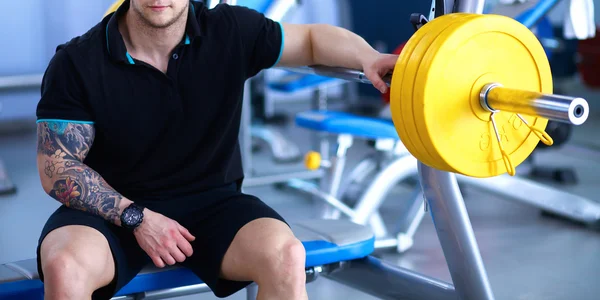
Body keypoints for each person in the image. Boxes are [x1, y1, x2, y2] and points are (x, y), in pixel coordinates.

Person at [34, 0, 398, 299]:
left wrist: (367, 57)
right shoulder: (77, 62)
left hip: (211, 204)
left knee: (286, 255)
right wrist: (138, 217)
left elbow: (315, 41)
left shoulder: (230, 30)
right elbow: (59, 169)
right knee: (65, 266)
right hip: (113, 213)